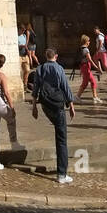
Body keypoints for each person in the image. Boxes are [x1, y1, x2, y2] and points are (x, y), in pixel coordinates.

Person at [31, 48, 75, 185]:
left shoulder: (40, 68)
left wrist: (34, 106)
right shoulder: (59, 69)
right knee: (61, 138)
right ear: (55, 56)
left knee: (58, 130)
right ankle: (62, 174)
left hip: (45, 105)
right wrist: (71, 105)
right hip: (57, 105)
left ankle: (61, 170)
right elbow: (65, 86)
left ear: (45, 56)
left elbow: (35, 88)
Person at [76, 34, 103, 105]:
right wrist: (97, 68)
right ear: (86, 41)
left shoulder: (80, 48)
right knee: (85, 83)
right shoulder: (86, 49)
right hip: (86, 67)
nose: (89, 42)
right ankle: (77, 97)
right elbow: (90, 60)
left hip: (83, 67)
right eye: (89, 41)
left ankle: (95, 97)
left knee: (93, 81)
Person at [17, 25, 31, 97]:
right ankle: (21, 85)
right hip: (19, 55)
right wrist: (20, 46)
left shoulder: (24, 36)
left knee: (27, 70)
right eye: (21, 30)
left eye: (23, 30)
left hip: (24, 55)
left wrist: (28, 53)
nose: (22, 31)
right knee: (20, 71)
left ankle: (25, 85)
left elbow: (26, 45)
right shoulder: (16, 36)